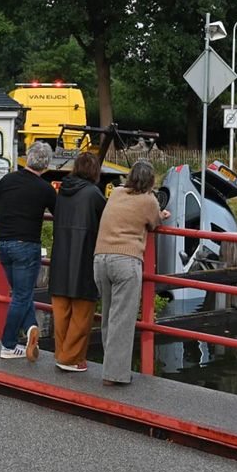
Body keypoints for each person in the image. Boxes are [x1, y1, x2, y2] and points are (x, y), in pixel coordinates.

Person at [94, 160, 169, 385]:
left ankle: (110, 366)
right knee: (122, 319)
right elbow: (154, 223)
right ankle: (114, 375)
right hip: (125, 261)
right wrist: (162, 215)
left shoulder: (116, 193)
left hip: (100, 259)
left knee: (108, 315)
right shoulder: (148, 201)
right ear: (150, 181)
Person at [0, 141, 57, 360]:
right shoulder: (45, 188)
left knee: (19, 292)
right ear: (46, 165)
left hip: (4, 243)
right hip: (26, 245)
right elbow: (59, 213)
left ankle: (30, 328)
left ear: (27, 158)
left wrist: (3, 230)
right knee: (21, 295)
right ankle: (8, 345)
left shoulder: (7, 180)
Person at [49, 152, 107, 371]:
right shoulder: (93, 193)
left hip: (61, 254)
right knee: (82, 312)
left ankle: (61, 353)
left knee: (61, 310)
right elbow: (107, 216)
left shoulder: (63, 190)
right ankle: (70, 359)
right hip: (84, 254)